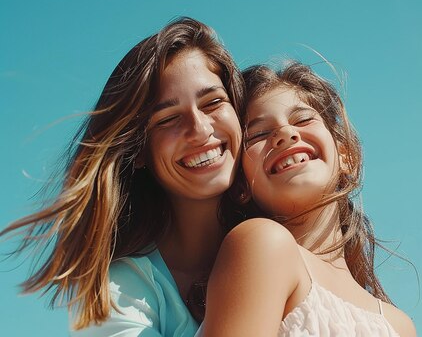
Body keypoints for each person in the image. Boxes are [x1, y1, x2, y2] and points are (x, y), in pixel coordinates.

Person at [0, 17, 244, 336]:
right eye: (168, 119)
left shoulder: (286, 231)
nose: (199, 130)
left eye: (213, 102)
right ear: (138, 150)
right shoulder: (117, 291)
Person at [201, 62, 417, 336]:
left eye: (303, 120)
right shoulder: (262, 244)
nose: (285, 134)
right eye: (259, 134)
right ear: (241, 185)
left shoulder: (400, 325)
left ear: (346, 155)